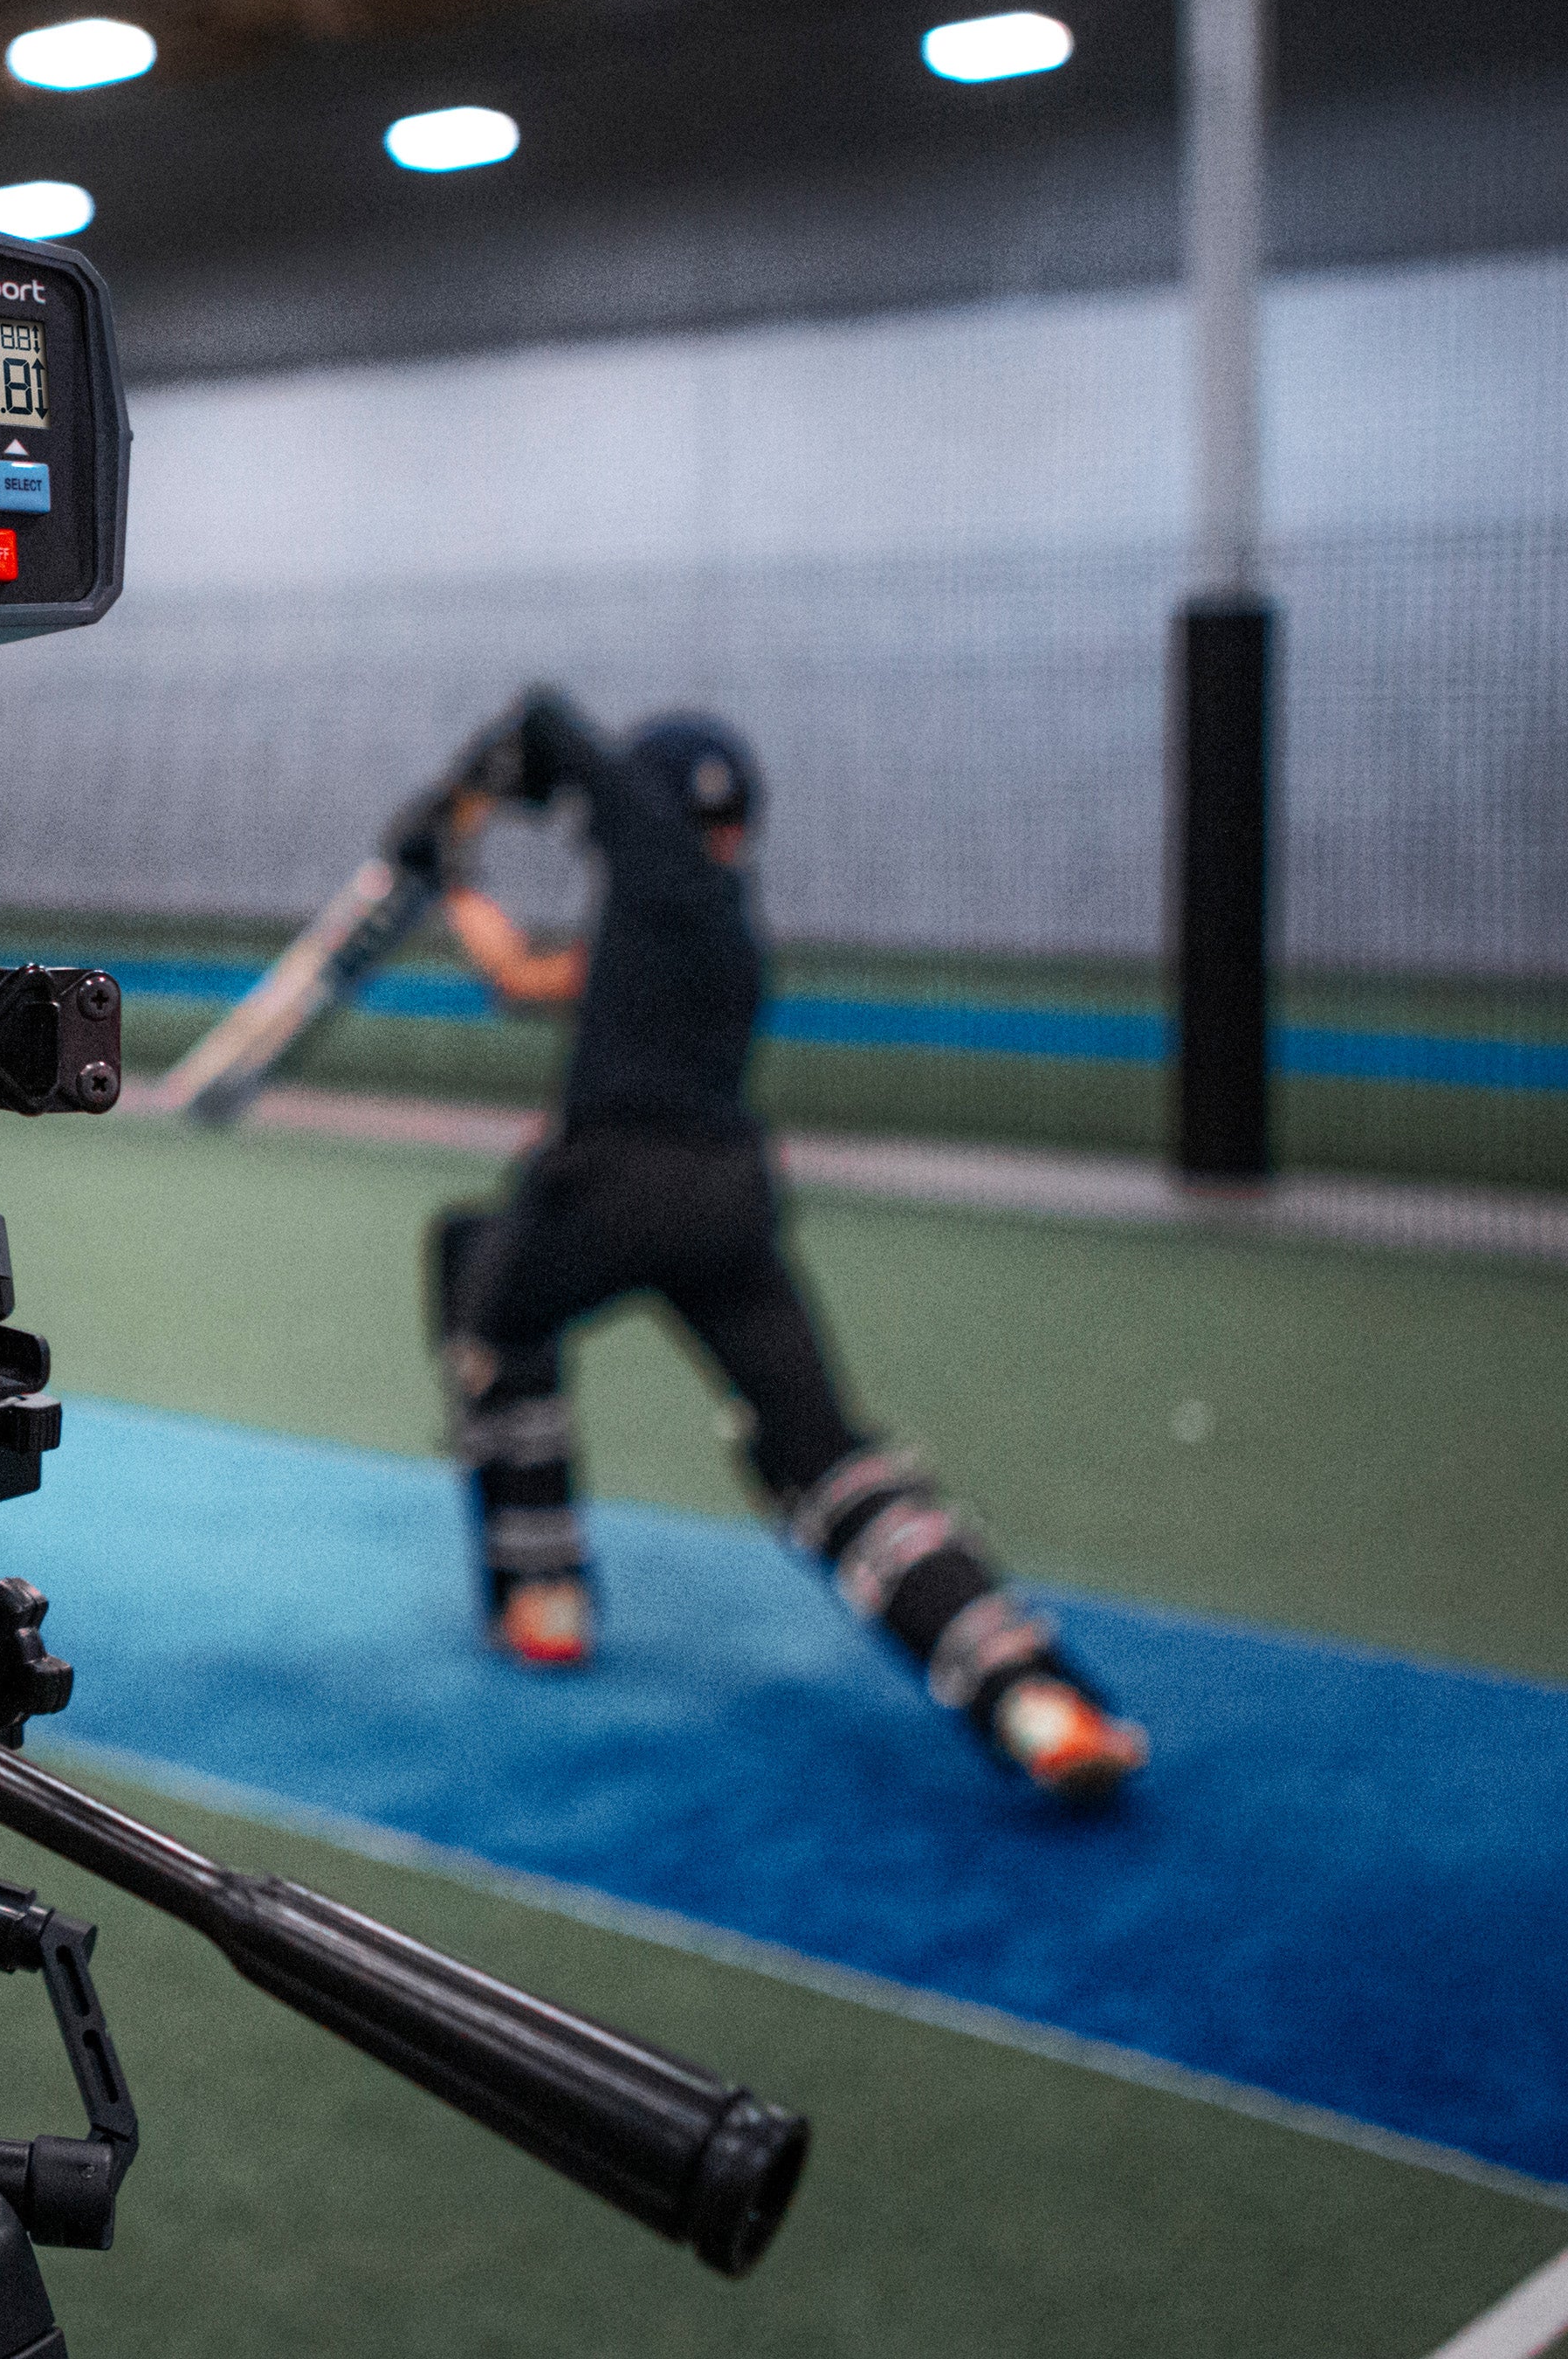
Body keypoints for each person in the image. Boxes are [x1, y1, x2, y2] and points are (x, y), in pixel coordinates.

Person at [414, 688, 1147, 1805]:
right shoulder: (716, 929)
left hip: (607, 1193)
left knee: (480, 1279)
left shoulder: (654, 870)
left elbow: (549, 722)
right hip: (729, 1209)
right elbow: (525, 979)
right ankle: (1037, 1702)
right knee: (823, 1454)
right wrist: (455, 884)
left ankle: (543, 1598)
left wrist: (461, 800)